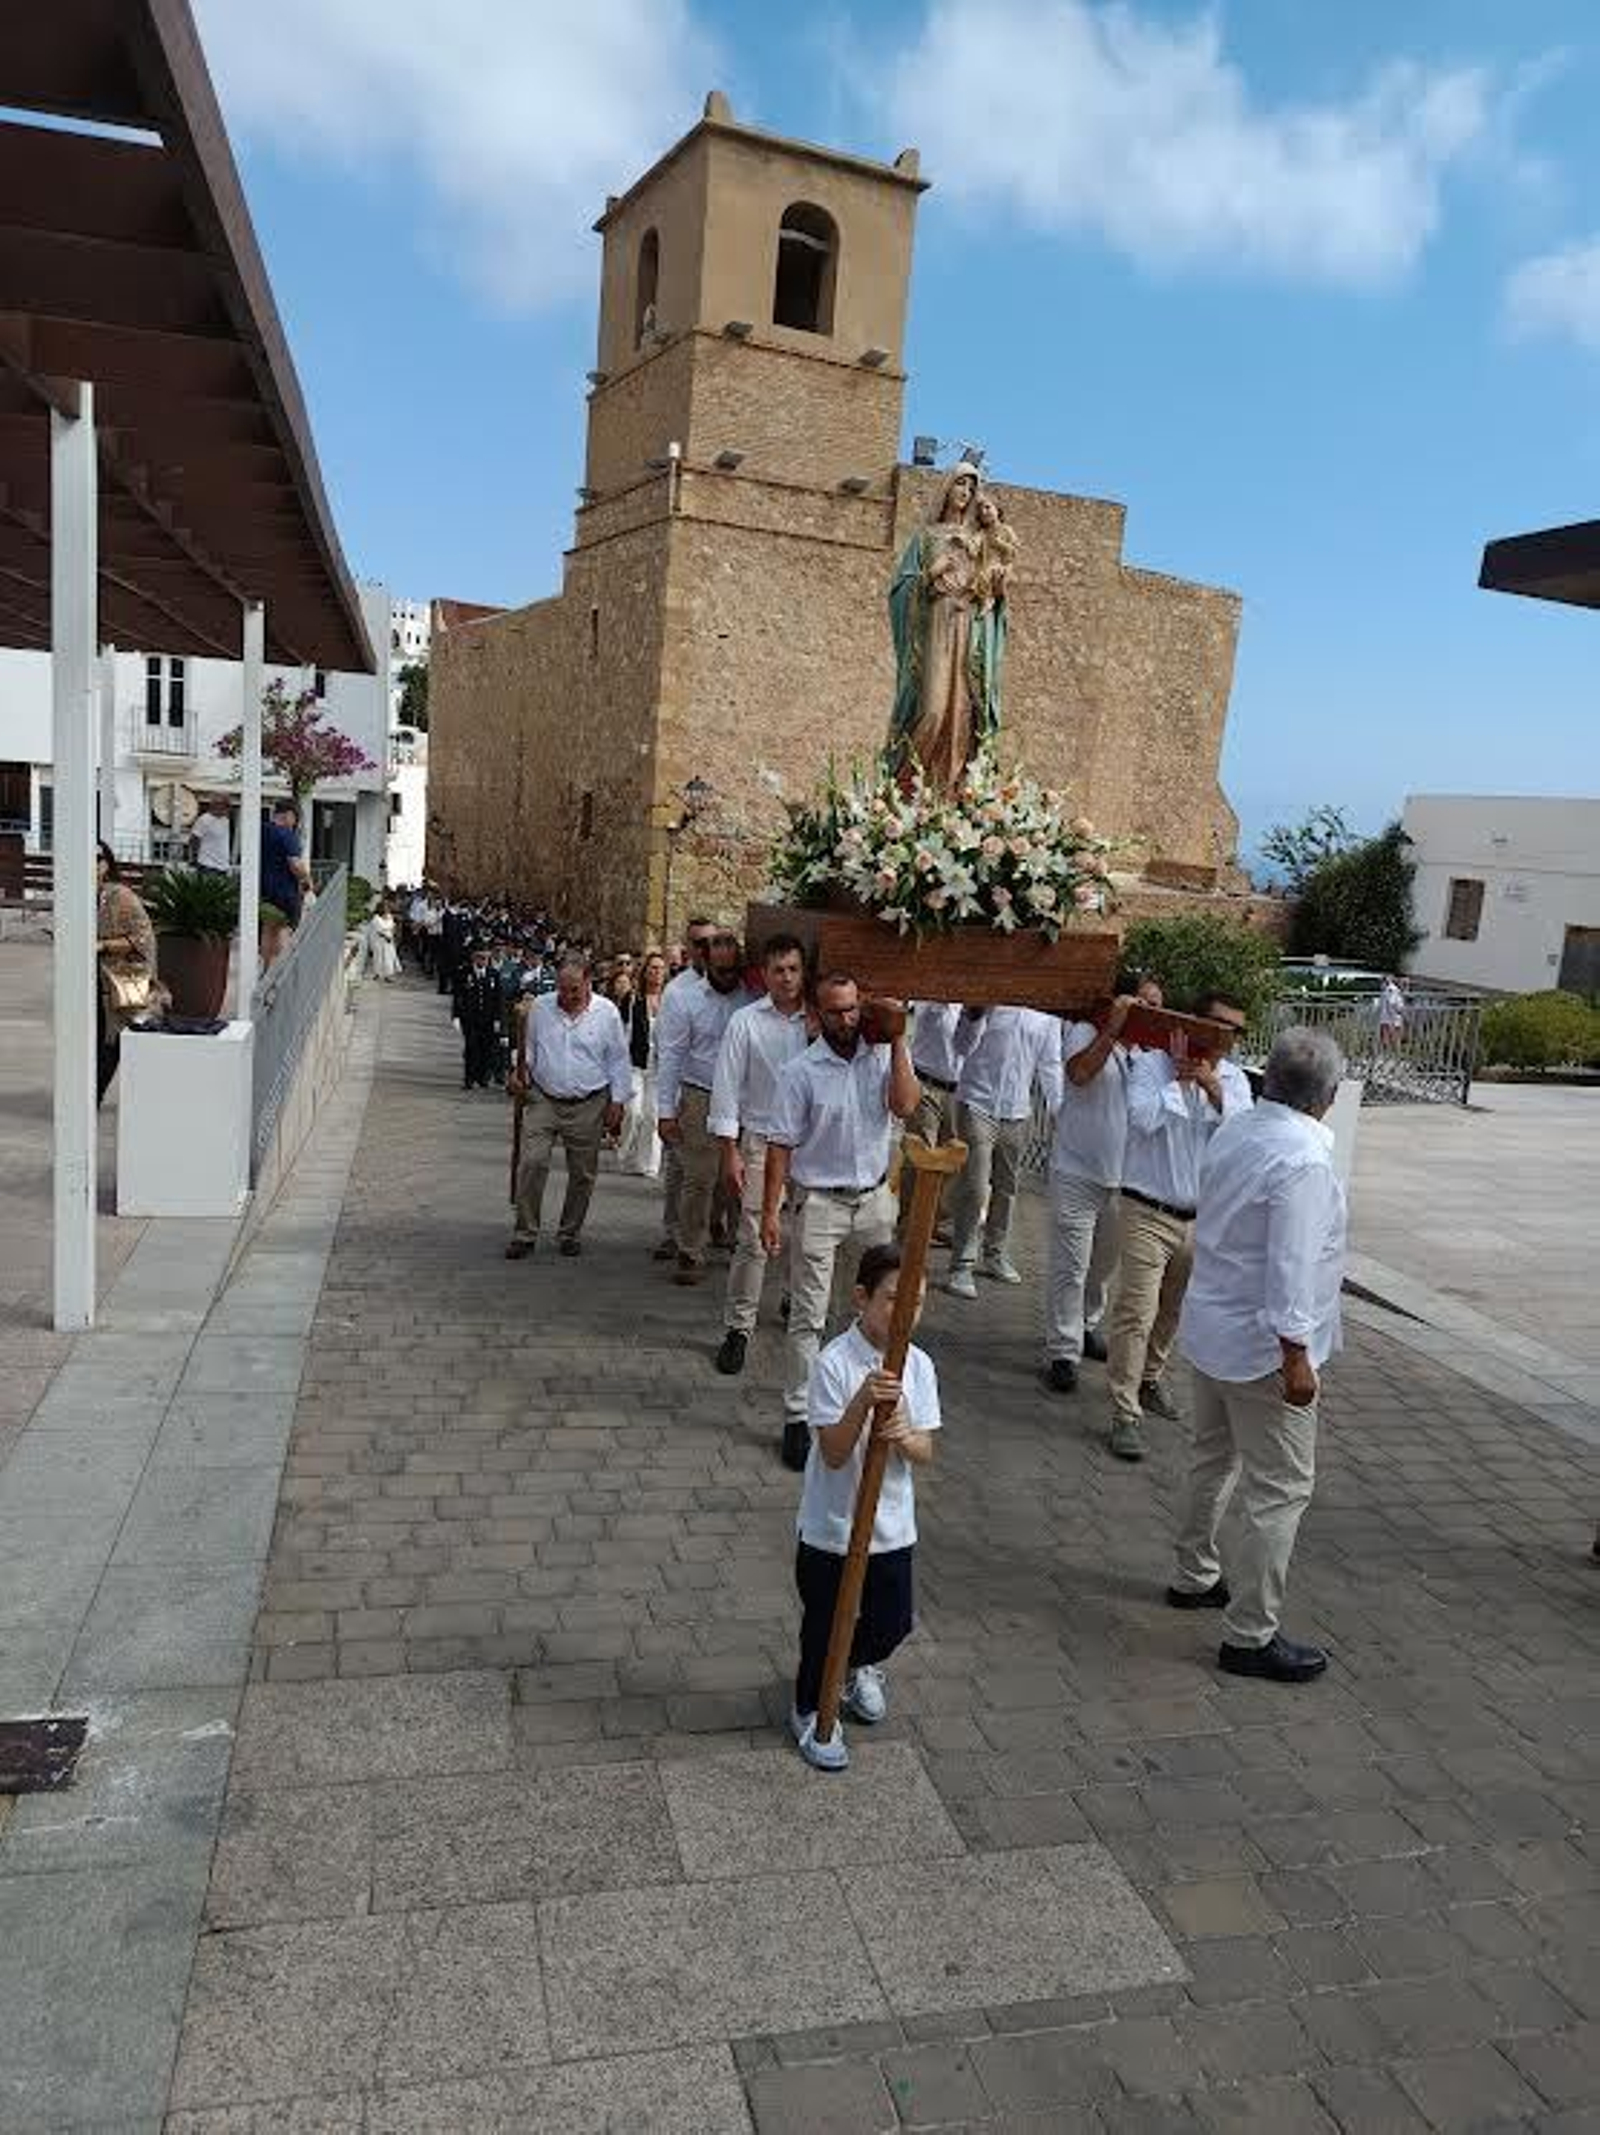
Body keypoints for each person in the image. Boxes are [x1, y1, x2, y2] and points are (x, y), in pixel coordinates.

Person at [1169, 1027, 1348, 1685]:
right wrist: (1297, 1355)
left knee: (1211, 1456)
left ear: (1267, 1078)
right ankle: (1249, 1633)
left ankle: (1193, 1573)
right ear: (1327, 1097)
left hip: (1215, 1329)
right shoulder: (1302, 1160)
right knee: (1281, 1488)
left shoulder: (1238, 1130)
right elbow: (1291, 1269)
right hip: (1261, 1347)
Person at [790, 1241, 940, 1772]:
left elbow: (925, 1449)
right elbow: (831, 1452)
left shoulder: (919, 1366)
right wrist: (862, 1402)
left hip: (891, 1528)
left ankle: (853, 1669)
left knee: (892, 1620)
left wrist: (903, 1434)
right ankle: (811, 1706)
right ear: (862, 1298)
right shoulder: (834, 1362)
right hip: (832, 1529)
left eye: (916, 1303)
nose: (904, 1314)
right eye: (892, 1299)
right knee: (825, 1625)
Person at [764, 973, 920, 1472]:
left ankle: (866, 1402)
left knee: (875, 1310)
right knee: (809, 1313)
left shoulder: (880, 1057)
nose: (846, 1020)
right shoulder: (800, 1071)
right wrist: (770, 1211)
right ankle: (798, 1416)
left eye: (852, 1009)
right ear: (816, 1013)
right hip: (821, 1202)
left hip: (873, 1200)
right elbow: (781, 1146)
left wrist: (897, 1037)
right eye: (835, 1011)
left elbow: (906, 1105)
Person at [1104, 995, 1253, 1462]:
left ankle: (1149, 1378)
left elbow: (1246, 1139)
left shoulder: (1235, 1081)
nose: (1222, 1039)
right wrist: (1177, 1081)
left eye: (1234, 1032)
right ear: (1194, 1024)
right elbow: (1142, 1120)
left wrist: (1210, 1088)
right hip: (1145, 1210)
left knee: (1172, 1311)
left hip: (1200, 1219)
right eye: (1215, 1026)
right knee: (1136, 1311)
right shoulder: (1151, 1066)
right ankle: (1124, 1413)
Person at [1042, 974, 1162, 1395]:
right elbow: (1078, 1073)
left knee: (1102, 1267)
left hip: (1125, 1180)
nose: (1149, 1013)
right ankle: (1062, 1349)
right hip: (1075, 1170)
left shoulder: (1150, 1054)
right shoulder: (1084, 1032)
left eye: (1155, 1006)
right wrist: (1113, 1028)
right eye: (1142, 1004)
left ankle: (1087, 1324)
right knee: (1070, 1267)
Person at [709, 933, 809, 1375]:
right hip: (761, 1141)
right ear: (764, 974)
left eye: (793, 969)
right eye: (778, 970)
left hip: (810, 1146)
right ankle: (739, 1327)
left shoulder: (821, 1022)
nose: (786, 978)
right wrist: (728, 1152)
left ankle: (795, 1299)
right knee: (752, 1239)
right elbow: (727, 1089)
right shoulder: (746, 1022)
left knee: (805, 1234)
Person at [506, 954, 630, 1259]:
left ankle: (569, 1232)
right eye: (562, 989)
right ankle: (525, 1232)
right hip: (543, 1098)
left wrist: (618, 1100)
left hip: (589, 1102)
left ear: (589, 983)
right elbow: (530, 1051)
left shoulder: (607, 1013)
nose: (567, 996)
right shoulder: (540, 1009)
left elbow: (617, 1059)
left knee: (583, 1173)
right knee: (532, 1162)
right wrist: (518, 1073)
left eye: (574, 989)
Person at [657, 931, 759, 1286]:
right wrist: (666, 1110)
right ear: (706, 964)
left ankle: (731, 1236)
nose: (728, 977)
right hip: (701, 1094)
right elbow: (671, 1055)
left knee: (735, 1178)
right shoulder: (684, 997)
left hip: (745, 1097)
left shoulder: (753, 997)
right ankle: (690, 1250)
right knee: (698, 1178)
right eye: (721, 970)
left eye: (733, 970)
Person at [943, 1005, 1062, 1299]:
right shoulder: (991, 1000)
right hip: (977, 1101)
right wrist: (975, 1015)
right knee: (974, 1186)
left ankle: (995, 1253)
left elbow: (1050, 1064)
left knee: (1007, 1186)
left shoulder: (1047, 1015)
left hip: (1017, 1110)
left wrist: (1061, 1111)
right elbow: (960, 1046)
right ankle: (961, 1264)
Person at [653, 916, 719, 1262]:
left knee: (709, 1173)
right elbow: (670, 1051)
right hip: (689, 1092)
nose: (705, 949)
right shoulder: (679, 992)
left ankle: (709, 1229)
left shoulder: (735, 985)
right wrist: (667, 1105)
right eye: (698, 943)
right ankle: (674, 1233)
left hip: (728, 1094)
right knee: (682, 1168)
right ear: (689, 947)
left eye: (711, 942)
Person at [95, 840, 158, 1104]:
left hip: (127, 974)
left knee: (116, 1038)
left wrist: (103, 945)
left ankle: (93, 1093)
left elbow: (143, 938)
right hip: (97, 977)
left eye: (95, 859)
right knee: (98, 1036)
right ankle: (90, 1092)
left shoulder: (120, 895)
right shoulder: (83, 895)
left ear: (104, 865)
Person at [616, 950, 667, 1177]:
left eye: (660, 968)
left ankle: (648, 1164)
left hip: (659, 1067)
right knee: (634, 1112)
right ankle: (624, 1150)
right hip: (634, 1064)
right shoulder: (632, 999)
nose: (656, 972)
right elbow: (621, 1032)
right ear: (645, 972)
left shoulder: (671, 1000)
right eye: (652, 968)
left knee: (653, 1116)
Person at [259, 800, 311, 967]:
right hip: (285, 892)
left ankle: (267, 969)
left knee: (268, 929)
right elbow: (295, 864)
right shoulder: (287, 835)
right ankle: (279, 971)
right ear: (289, 814)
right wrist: (306, 878)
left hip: (264, 890)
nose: (295, 823)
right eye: (295, 818)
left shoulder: (263, 830)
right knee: (284, 929)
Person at [453, 938, 505, 1089]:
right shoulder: (464, 973)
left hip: (488, 1019)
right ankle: (469, 1079)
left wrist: (498, 1019)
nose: (483, 960)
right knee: (471, 1048)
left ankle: (482, 1078)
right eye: (480, 957)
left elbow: (498, 999)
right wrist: (456, 1015)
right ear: (474, 957)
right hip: (470, 1019)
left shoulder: (493, 974)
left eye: (486, 958)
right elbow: (458, 996)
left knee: (486, 1049)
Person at [190, 794, 232, 875]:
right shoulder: (204, 820)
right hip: (207, 865)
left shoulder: (225, 820)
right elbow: (194, 839)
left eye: (227, 806)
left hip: (223, 866)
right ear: (215, 805)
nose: (227, 808)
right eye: (225, 805)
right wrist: (195, 857)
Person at [366, 897, 401, 982]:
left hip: (389, 940)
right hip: (379, 941)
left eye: (388, 908)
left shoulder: (389, 917)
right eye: (386, 908)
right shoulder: (376, 918)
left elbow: (393, 926)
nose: (387, 909)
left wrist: (392, 935)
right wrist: (386, 936)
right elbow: (378, 930)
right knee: (378, 958)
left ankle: (388, 976)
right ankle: (377, 974)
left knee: (389, 958)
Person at [1378, 974, 1406, 1050]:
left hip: (1387, 1018)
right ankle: (1392, 1056)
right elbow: (1392, 1003)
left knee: (1387, 1039)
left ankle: (1388, 1055)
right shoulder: (1393, 990)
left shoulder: (1389, 990)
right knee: (1393, 1040)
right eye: (1404, 983)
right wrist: (1399, 1011)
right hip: (1392, 1019)